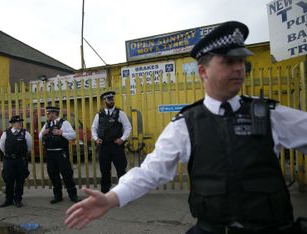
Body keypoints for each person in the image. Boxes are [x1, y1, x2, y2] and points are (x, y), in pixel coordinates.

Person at [65, 21, 307, 233]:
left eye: (242, 61)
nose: (238, 68)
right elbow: (151, 171)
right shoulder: (185, 124)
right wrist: (111, 199)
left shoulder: (270, 114)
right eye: (229, 61)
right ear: (202, 71)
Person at [91, 91, 132, 193]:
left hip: (116, 146)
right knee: (105, 170)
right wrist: (96, 139)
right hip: (104, 147)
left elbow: (128, 127)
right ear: (104, 101)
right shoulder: (99, 115)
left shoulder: (120, 113)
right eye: (109, 99)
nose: (111, 101)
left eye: (112, 99)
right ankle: (105, 192)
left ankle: (125, 192)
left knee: (121, 170)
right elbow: (93, 128)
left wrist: (122, 139)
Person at [39, 106, 79, 204]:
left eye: (50, 113)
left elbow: (73, 135)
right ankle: (58, 196)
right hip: (50, 153)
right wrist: (43, 133)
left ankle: (73, 195)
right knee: (53, 175)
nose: (48, 115)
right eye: (48, 113)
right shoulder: (47, 124)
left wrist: (61, 132)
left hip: (61, 153)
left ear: (55, 113)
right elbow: (40, 137)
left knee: (67, 174)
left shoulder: (64, 123)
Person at [0, 115, 31, 208]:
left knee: (20, 180)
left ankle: (18, 199)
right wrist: (9, 155)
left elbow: (29, 147)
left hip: (20, 160)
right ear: (13, 124)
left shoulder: (25, 133)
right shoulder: (6, 133)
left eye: (21, 122)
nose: (20, 124)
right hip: (9, 160)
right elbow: (2, 146)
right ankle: (8, 199)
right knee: (9, 180)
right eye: (18, 122)